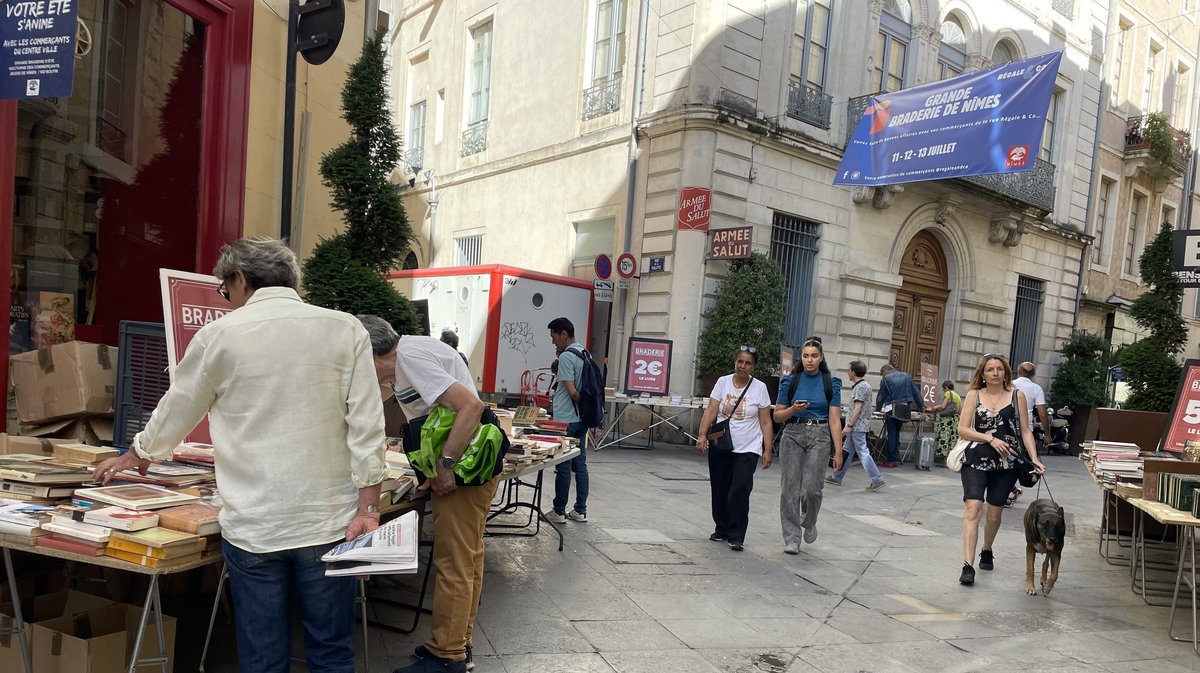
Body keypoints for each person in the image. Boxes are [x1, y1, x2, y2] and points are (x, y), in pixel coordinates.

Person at [92, 238, 386, 673]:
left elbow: (180, 405)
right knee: (331, 652)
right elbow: (367, 424)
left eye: (224, 291)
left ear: (241, 279)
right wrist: (369, 508)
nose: (226, 300)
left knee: (262, 659)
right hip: (330, 520)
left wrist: (139, 454)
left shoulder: (219, 336)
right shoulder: (346, 330)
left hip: (254, 525)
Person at [360, 315, 495, 673]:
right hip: (470, 466)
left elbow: (471, 406)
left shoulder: (410, 357)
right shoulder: (407, 355)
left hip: (463, 469)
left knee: (453, 562)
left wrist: (446, 465)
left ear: (370, 353)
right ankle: (456, 644)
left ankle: (447, 657)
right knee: (467, 558)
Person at [956, 353, 1045, 586]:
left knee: (994, 513)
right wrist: (989, 438)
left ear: (1006, 372)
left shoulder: (1018, 396)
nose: (995, 373)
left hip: (1007, 464)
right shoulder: (974, 395)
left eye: (999, 369)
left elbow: (1026, 431)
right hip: (976, 459)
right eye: (990, 370)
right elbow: (963, 429)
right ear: (982, 374)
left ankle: (987, 549)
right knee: (973, 508)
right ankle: (968, 565)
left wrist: (1034, 458)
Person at [695, 345, 773, 551]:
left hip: (748, 447)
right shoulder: (722, 382)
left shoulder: (760, 388)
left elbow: (766, 421)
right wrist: (702, 435)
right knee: (719, 487)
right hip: (721, 443)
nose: (743, 366)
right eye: (740, 362)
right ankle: (721, 527)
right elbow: (712, 410)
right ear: (735, 362)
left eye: (748, 363)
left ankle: (737, 534)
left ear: (753, 366)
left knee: (739, 488)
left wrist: (767, 449)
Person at [774, 337, 842, 554]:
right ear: (800, 358)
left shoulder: (831, 382)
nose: (809, 360)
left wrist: (838, 451)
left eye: (814, 356)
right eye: (805, 356)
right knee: (789, 488)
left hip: (820, 435)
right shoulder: (790, 381)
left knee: (812, 489)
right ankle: (792, 538)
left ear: (821, 358)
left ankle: (809, 520)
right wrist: (793, 410)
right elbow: (777, 416)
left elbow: (834, 419)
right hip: (793, 432)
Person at [545, 317, 589, 524]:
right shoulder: (584, 352)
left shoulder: (566, 358)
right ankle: (580, 510)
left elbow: (572, 391)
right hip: (581, 420)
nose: (553, 341)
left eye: (554, 336)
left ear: (563, 334)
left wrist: (578, 402)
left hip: (566, 419)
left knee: (563, 465)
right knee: (580, 465)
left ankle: (559, 511)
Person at [827, 360, 884, 491]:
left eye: (848, 370)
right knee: (847, 451)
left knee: (863, 452)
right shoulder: (863, 386)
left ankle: (877, 479)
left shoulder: (861, 387)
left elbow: (857, 408)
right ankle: (837, 477)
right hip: (858, 426)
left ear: (853, 372)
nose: (847, 373)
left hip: (857, 426)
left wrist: (849, 426)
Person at [1007, 362, 1050, 508]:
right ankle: (1011, 489)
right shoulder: (1036, 389)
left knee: (1008, 460)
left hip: (1007, 428)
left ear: (1017, 372)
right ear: (1033, 375)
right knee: (1021, 461)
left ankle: (1009, 490)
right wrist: (1047, 434)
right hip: (1026, 430)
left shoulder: (1009, 385)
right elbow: (1043, 413)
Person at [875, 363, 922, 468]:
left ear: (885, 371)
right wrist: (921, 407)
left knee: (892, 433)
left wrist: (878, 409)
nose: (883, 377)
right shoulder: (907, 376)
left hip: (891, 408)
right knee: (896, 433)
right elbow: (916, 393)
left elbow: (881, 396)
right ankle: (894, 456)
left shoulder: (886, 378)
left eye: (882, 374)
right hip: (904, 409)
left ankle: (890, 460)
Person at [926, 380, 962, 460]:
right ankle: (947, 461)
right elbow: (960, 410)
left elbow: (943, 406)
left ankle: (944, 460)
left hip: (947, 420)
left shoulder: (948, 393)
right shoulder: (958, 396)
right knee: (951, 439)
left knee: (945, 438)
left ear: (946, 387)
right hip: (955, 420)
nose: (943, 391)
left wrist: (935, 407)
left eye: (943, 389)